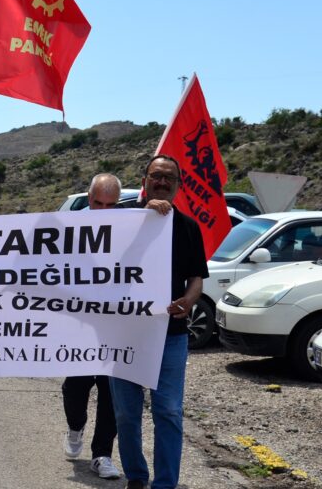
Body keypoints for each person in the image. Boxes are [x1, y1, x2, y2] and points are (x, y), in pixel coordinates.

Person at [108, 155, 208, 489]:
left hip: (171, 335)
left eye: (170, 178)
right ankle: (136, 477)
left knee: (168, 411)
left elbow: (197, 278)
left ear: (179, 185)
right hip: (125, 334)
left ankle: (165, 484)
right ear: (145, 180)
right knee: (125, 414)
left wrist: (190, 300)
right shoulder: (122, 219)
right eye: (156, 176)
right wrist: (142, 214)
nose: (163, 182)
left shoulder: (189, 227)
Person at [61, 174, 123, 479]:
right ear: (88, 197)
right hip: (80, 324)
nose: (104, 210)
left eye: (111, 204)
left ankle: (102, 455)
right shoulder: (69, 228)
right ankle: (75, 427)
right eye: (98, 203)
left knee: (111, 391)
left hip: (116, 325)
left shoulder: (132, 226)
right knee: (75, 387)